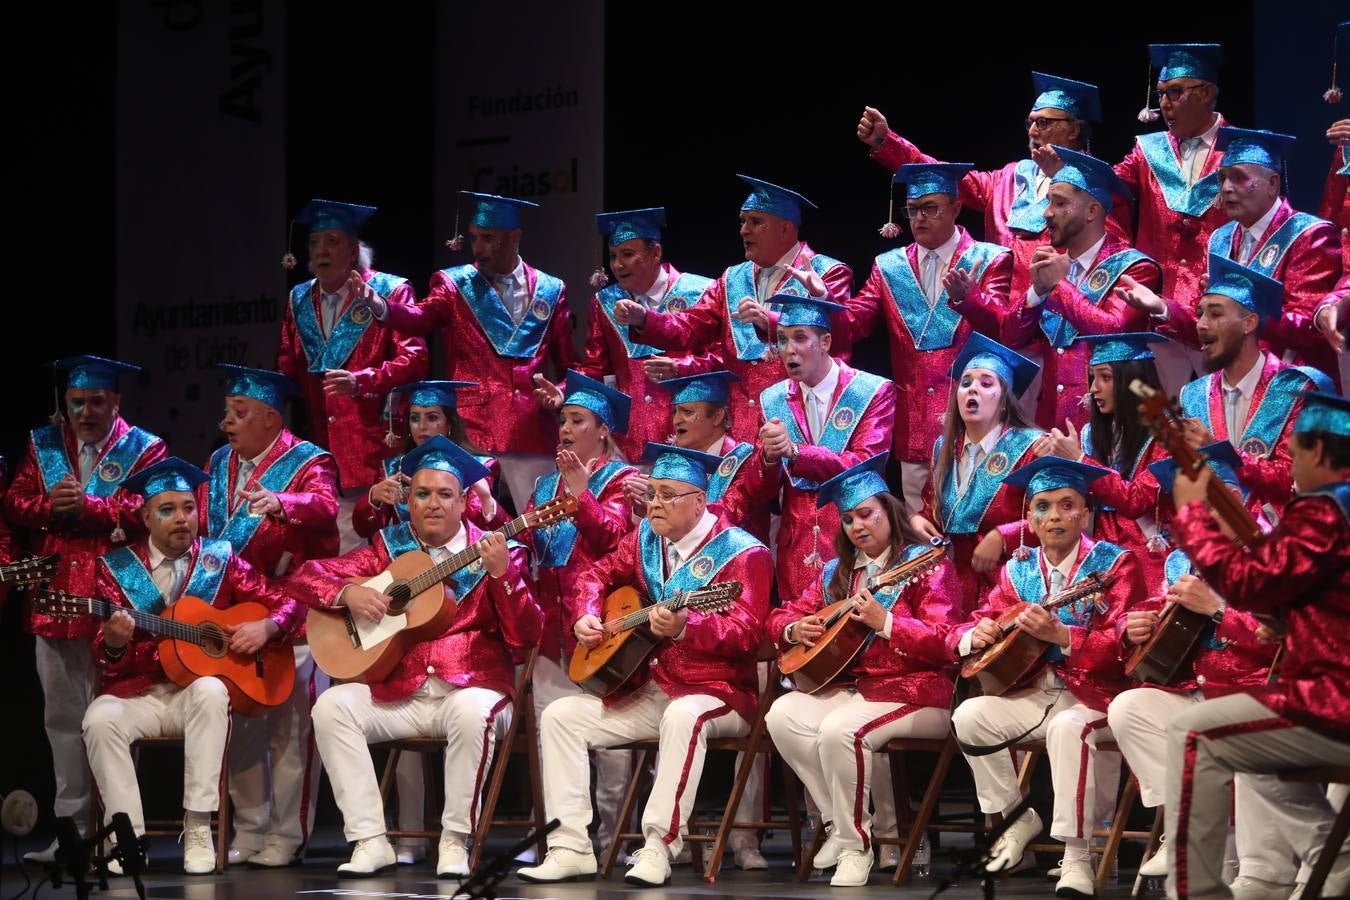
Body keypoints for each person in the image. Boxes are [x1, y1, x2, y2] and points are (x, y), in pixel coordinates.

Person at [517, 443, 772, 887]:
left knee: (682, 716)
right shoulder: (644, 539)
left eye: (667, 495)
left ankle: (657, 846)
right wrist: (587, 614)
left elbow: (749, 633)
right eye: (651, 493)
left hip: (719, 691)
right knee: (560, 716)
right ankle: (570, 846)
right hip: (652, 686)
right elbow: (593, 575)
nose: (653, 503)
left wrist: (686, 628)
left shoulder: (744, 552)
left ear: (699, 501)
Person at [290, 436, 542, 876]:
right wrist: (347, 593)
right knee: (332, 706)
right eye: (421, 494)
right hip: (401, 693)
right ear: (408, 500)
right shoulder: (388, 548)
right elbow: (305, 575)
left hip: (473, 689)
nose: (432, 504)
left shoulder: (502, 552)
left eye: (444, 494)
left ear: (464, 501)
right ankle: (369, 839)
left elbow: (526, 638)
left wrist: (503, 578)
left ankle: (454, 840)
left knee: (470, 712)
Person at [1162, 392, 1349, 900]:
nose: (1287, 467)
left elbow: (1249, 582)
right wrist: (1293, 626)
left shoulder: (1329, 509)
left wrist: (1195, 514)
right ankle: (1341, 864)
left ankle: (1195, 893)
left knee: (1192, 734)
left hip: (1336, 702)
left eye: (1293, 453)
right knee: (1249, 748)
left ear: (1317, 453)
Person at [81, 458, 300, 874]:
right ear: (145, 516)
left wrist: (269, 627)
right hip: (138, 693)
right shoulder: (116, 568)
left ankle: (199, 825)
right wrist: (113, 644)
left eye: (189, 508)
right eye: (168, 510)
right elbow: (104, 660)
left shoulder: (220, 557)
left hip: (195, 697)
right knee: (98, 719)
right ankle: (126, 838)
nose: (182, 519)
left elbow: (288, 602)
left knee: (212, 689)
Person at [948, 457, 1147, 897]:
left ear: (1085, 513)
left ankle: (1076, 857)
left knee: (1066, 727)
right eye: (1042, 507)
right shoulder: (1016, 568)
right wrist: (971, 634)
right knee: (970, 716)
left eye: (1066, 505)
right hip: (1034, 691)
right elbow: (979, 618)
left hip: (1098, 695)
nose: (1054, 516)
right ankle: (1020, 816)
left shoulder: (1117, 564)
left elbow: (1128, 647)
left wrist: (1064, 636)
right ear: (1029, 518)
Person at [766, 455, 963, 886]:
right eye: (849, 519)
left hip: (918, 691)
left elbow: (945, 640)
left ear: (890, 513)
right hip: (860, 692)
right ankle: (840, 823)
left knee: (841, 730)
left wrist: (887, 623)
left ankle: (856, 847)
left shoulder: (925, 565)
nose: (858, 526)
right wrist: (796, 627)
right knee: (782, 716)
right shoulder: (839, 573)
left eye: (867, 514)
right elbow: (780, 617)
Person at [4, 355, 167, 862]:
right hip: (56, 597)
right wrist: (49, 506)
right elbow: (13, 502)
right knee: (62, 719)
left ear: (116, 401)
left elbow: (157, 509)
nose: (86, 411)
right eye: (77, 402)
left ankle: (119, 833)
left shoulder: (146, 448)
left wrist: (91, 508)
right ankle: (73, 833)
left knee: (114, 720)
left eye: (97, 401)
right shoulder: (43, 444)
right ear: (65, 404)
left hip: (118, 596)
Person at [197, 364, 339, 866]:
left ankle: (288, 833)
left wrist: (283, 501)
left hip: (292, 609)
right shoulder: (218, 463)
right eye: (227, 412)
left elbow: (324, 508)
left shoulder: (309, 461)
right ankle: (252, 829)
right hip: (235, 611)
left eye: (239, 413)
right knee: (242, 725)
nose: (226, 423)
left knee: (290, 728)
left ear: (272, 419)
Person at [358, 192, 573, 514]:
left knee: (540, 529)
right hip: (474, 432)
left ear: (515, 238)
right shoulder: (455, 284)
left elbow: (571, 364)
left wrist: (562, 393)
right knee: (474, 525)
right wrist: (383, 307)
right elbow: (420, 317)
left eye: (488, 239)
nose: (479, 248)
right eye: (474, 238)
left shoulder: (551, 289)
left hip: (532, 432)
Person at [613, 175, 855, 444]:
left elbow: (840, 337)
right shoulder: (733, 279)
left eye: (755, 222)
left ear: (785, 229)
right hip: (742, 426)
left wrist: (771, 322)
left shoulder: (827, 272)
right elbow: (692, 324)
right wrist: (645, 319)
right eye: (742, 222)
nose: (744, 230)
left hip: (800, 418)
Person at [830, 162, 1014, 513]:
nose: (919, 218)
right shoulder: (889, 266)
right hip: (914, 425)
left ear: (956, 208)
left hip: (976, 422)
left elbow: (1004, 331)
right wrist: (824, 303)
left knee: (977, 520)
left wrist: (969, 299)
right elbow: (853, 325)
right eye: (912, 210)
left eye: (930, 208)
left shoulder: (990, 259)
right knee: (921, 530)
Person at [275, 198, 428, 550]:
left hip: (377, 441)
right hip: (322, 448)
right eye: (314, 242)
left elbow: (415, 359)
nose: (320, 251)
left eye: (332, 241)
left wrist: (363, 381)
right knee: (336, 551)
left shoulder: (390, 291)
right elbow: (287, 367)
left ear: (353, 250)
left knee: (386, 547)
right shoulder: (299, 299)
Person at [571, 207, 717, 460]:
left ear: (656, 253)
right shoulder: (604, 302)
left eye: (628, 254)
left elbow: (721, 359)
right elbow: (597, 368)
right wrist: (565, 389)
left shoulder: (702, 292)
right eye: (613, 255)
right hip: (628, 440)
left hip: (688, 435)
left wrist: (682, 366)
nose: (617, 265)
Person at [912, 334, 1043, 606]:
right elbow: (933, 511)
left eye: (986, 383)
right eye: (966, 383)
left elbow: (1052, 518)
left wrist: (1003, 536)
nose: (972, 390)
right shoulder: (943, 448)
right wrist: (917, 521)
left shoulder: (1030, 447)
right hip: (956, 588)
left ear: (1005, 399)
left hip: (1013, 585)